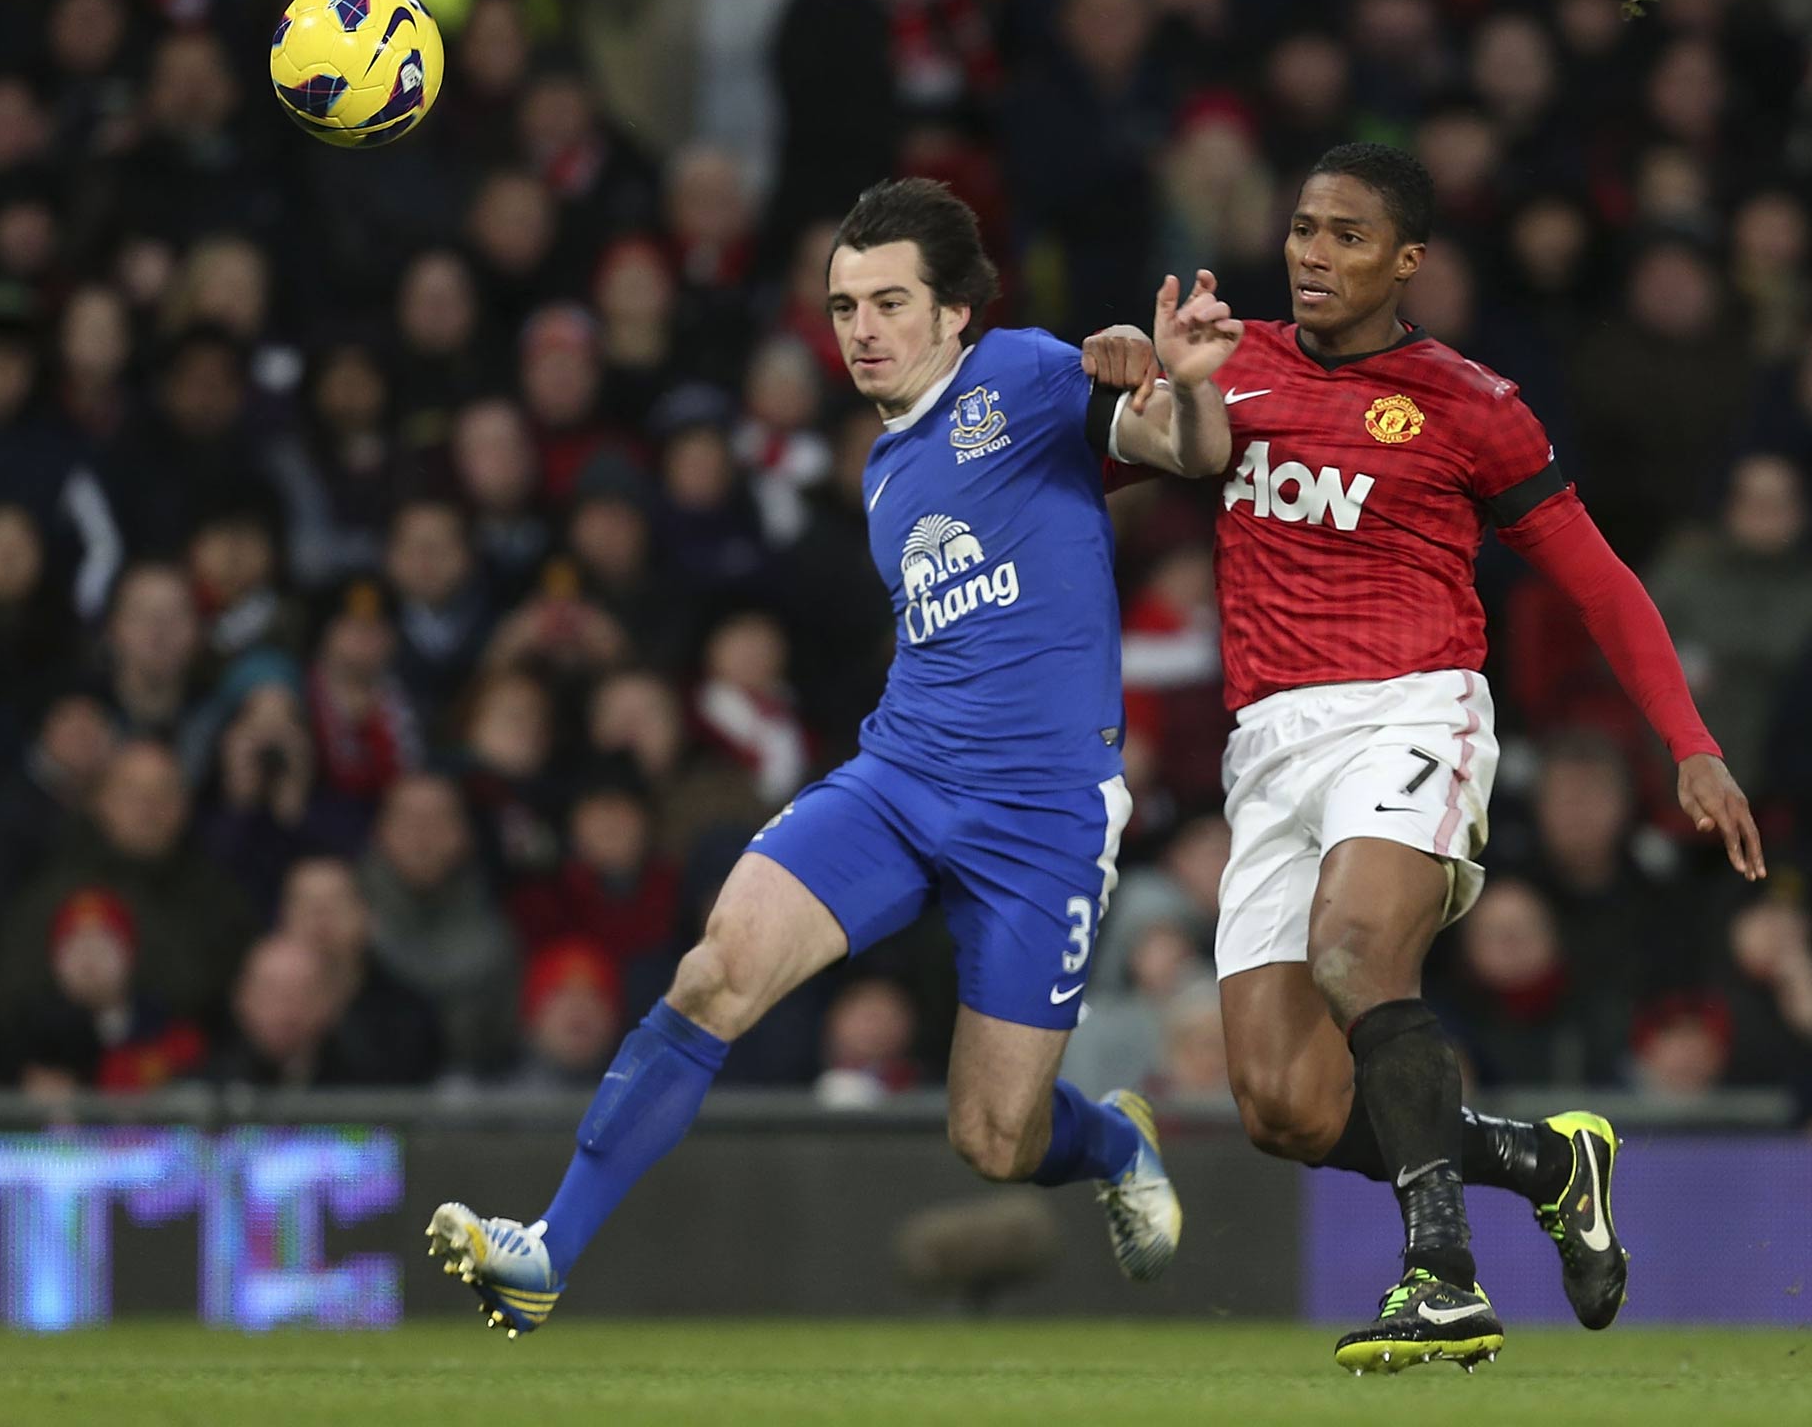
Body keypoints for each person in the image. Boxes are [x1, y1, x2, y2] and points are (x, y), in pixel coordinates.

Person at [425, 177, 1236, 1337]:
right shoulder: (882, 473)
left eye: (887, 301)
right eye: (842, 304)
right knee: (713, 973)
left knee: (992, 1137)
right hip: (898, 781)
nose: (858, 328)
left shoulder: (1019, 371)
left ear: (954, 311)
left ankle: (1109, 1136)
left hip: (1039, 819)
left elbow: (1188, 450)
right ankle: (547, 1248)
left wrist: (1186, 385)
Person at [1084, 144, 1762, 1374]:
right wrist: (1121, 370)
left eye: (1345, 235)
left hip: (1409, 710)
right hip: (1266, 749)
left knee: (1354, 954)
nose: (1310, 254)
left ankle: (1439, 1277)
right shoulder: (1227, 370)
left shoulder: (1469, 405)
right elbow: (1091, 463)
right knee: (1283, 1108)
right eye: (1300, 228)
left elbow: (1598, 583)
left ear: (1408, 264)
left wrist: (1691, 745)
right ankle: (1549, 1163)